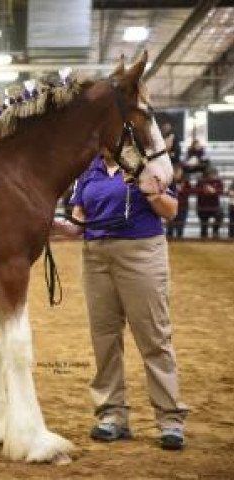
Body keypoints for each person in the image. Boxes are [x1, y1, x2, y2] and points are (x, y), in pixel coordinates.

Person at [53, 152, 188, 450]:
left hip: (141, 252)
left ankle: (170, 419)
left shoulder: (147, 164)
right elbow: (78, 220)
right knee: (104, 337)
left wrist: (151, 193)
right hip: (95, 255)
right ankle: (111, 415)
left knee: (153, 337)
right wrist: (51, 226)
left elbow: (171, 211)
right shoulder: (88, 168)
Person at [166, 163, 193, 239]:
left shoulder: (186, 182)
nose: (177, 173)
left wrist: (182, 190)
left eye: (179, 171)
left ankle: (179, 238)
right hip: (170, 206)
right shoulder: (169, 181)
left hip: (182, 206)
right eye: (175, 171)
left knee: (180, 227)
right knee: (170, 227)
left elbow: (190, 191)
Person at [196, 167, 223, 239]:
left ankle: (215, 231)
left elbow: (221, 191)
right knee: (204, 226)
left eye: (215, 174)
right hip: (203, 207)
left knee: (220, 215)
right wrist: (205, 190)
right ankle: (203, 236)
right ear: (207, 175)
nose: (214, 176)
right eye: (212, 174)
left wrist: (214, 191)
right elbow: (196, 191)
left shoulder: (218, 181)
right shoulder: (201, 181)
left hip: (214, 207)